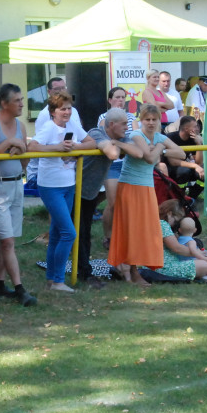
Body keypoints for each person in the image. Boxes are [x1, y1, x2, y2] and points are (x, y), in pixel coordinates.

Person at [107, 104, 184, 287]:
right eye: (147, 119)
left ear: (159, 120)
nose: (150, 123)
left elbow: (180, 152)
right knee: (132, 229)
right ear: (141, 120)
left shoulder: (159, 137)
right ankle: (131, 270)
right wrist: (159, 147)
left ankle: (133, 268)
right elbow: (149, 158)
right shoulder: (136, 135)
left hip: (146, 187)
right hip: (131, 186)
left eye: (154, 119)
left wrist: (161, 149)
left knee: (146, 229)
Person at [28, 91, 95, 292]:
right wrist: (57, 147)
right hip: (50, 186)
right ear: (53, 111)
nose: (66, 112)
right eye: (62, 108)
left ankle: (52, 279)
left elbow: (92, 142)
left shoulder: (72, 125)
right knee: (69, 233)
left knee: (58, 233)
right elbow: (32, 146)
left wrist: (76, 147)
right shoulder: (48, 128)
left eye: (68, 108)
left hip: (69, 184)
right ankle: (58, 280)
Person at [0, 84, 36, 306]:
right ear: (4, 103)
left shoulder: (21, 126)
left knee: (8, 239)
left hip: (15, 185)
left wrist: (23, 152)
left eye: (22, 99)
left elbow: (23, 162)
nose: (22, 104)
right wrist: (7, 143)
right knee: (8, 241)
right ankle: (20, 289)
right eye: (17, 100)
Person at [78, 108, 142, 288]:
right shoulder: (96, 133)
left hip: (89, 192)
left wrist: (117, 142)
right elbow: (113, 154)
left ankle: (83, 271)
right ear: (112, 124)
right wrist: (114, 144)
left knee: (84, 232)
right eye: (123, 124)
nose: (126, 127)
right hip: (73, 189)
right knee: (75, 233)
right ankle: (81, 273)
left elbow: (138, 153)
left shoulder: (119, 137)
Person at [97, 87, 136, 248]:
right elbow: (103, 136)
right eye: (117, 97)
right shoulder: (103, 117)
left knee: (128, 203)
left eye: (123, 97)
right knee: (113, 203)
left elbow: (136, 136)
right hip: (112, 165)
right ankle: (108, 236)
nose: (121, 100)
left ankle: (126, 235)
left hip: (129, 163)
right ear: (110, 100)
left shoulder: (131, 117)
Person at [157, 200, 207, 283]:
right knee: (204, 265)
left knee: (200, 264)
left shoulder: (159, 224)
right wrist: (199, 253)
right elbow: (177, 248)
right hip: (165, 268)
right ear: (169, 213)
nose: (174, 224)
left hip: (162, 266)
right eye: (176, 221)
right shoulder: (162, 224)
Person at [161, 115, 205, 198]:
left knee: (205, 171)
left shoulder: (193, 139)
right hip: (168, 169)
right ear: (186, 129)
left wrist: (199, 144)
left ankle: (191, 200)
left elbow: (198, 162)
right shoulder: (170, 137)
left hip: (184, 166)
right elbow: (173, 162)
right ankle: (179, 198)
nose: (197, 129)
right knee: (183, 171)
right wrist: (195, 166)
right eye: (195, 126)